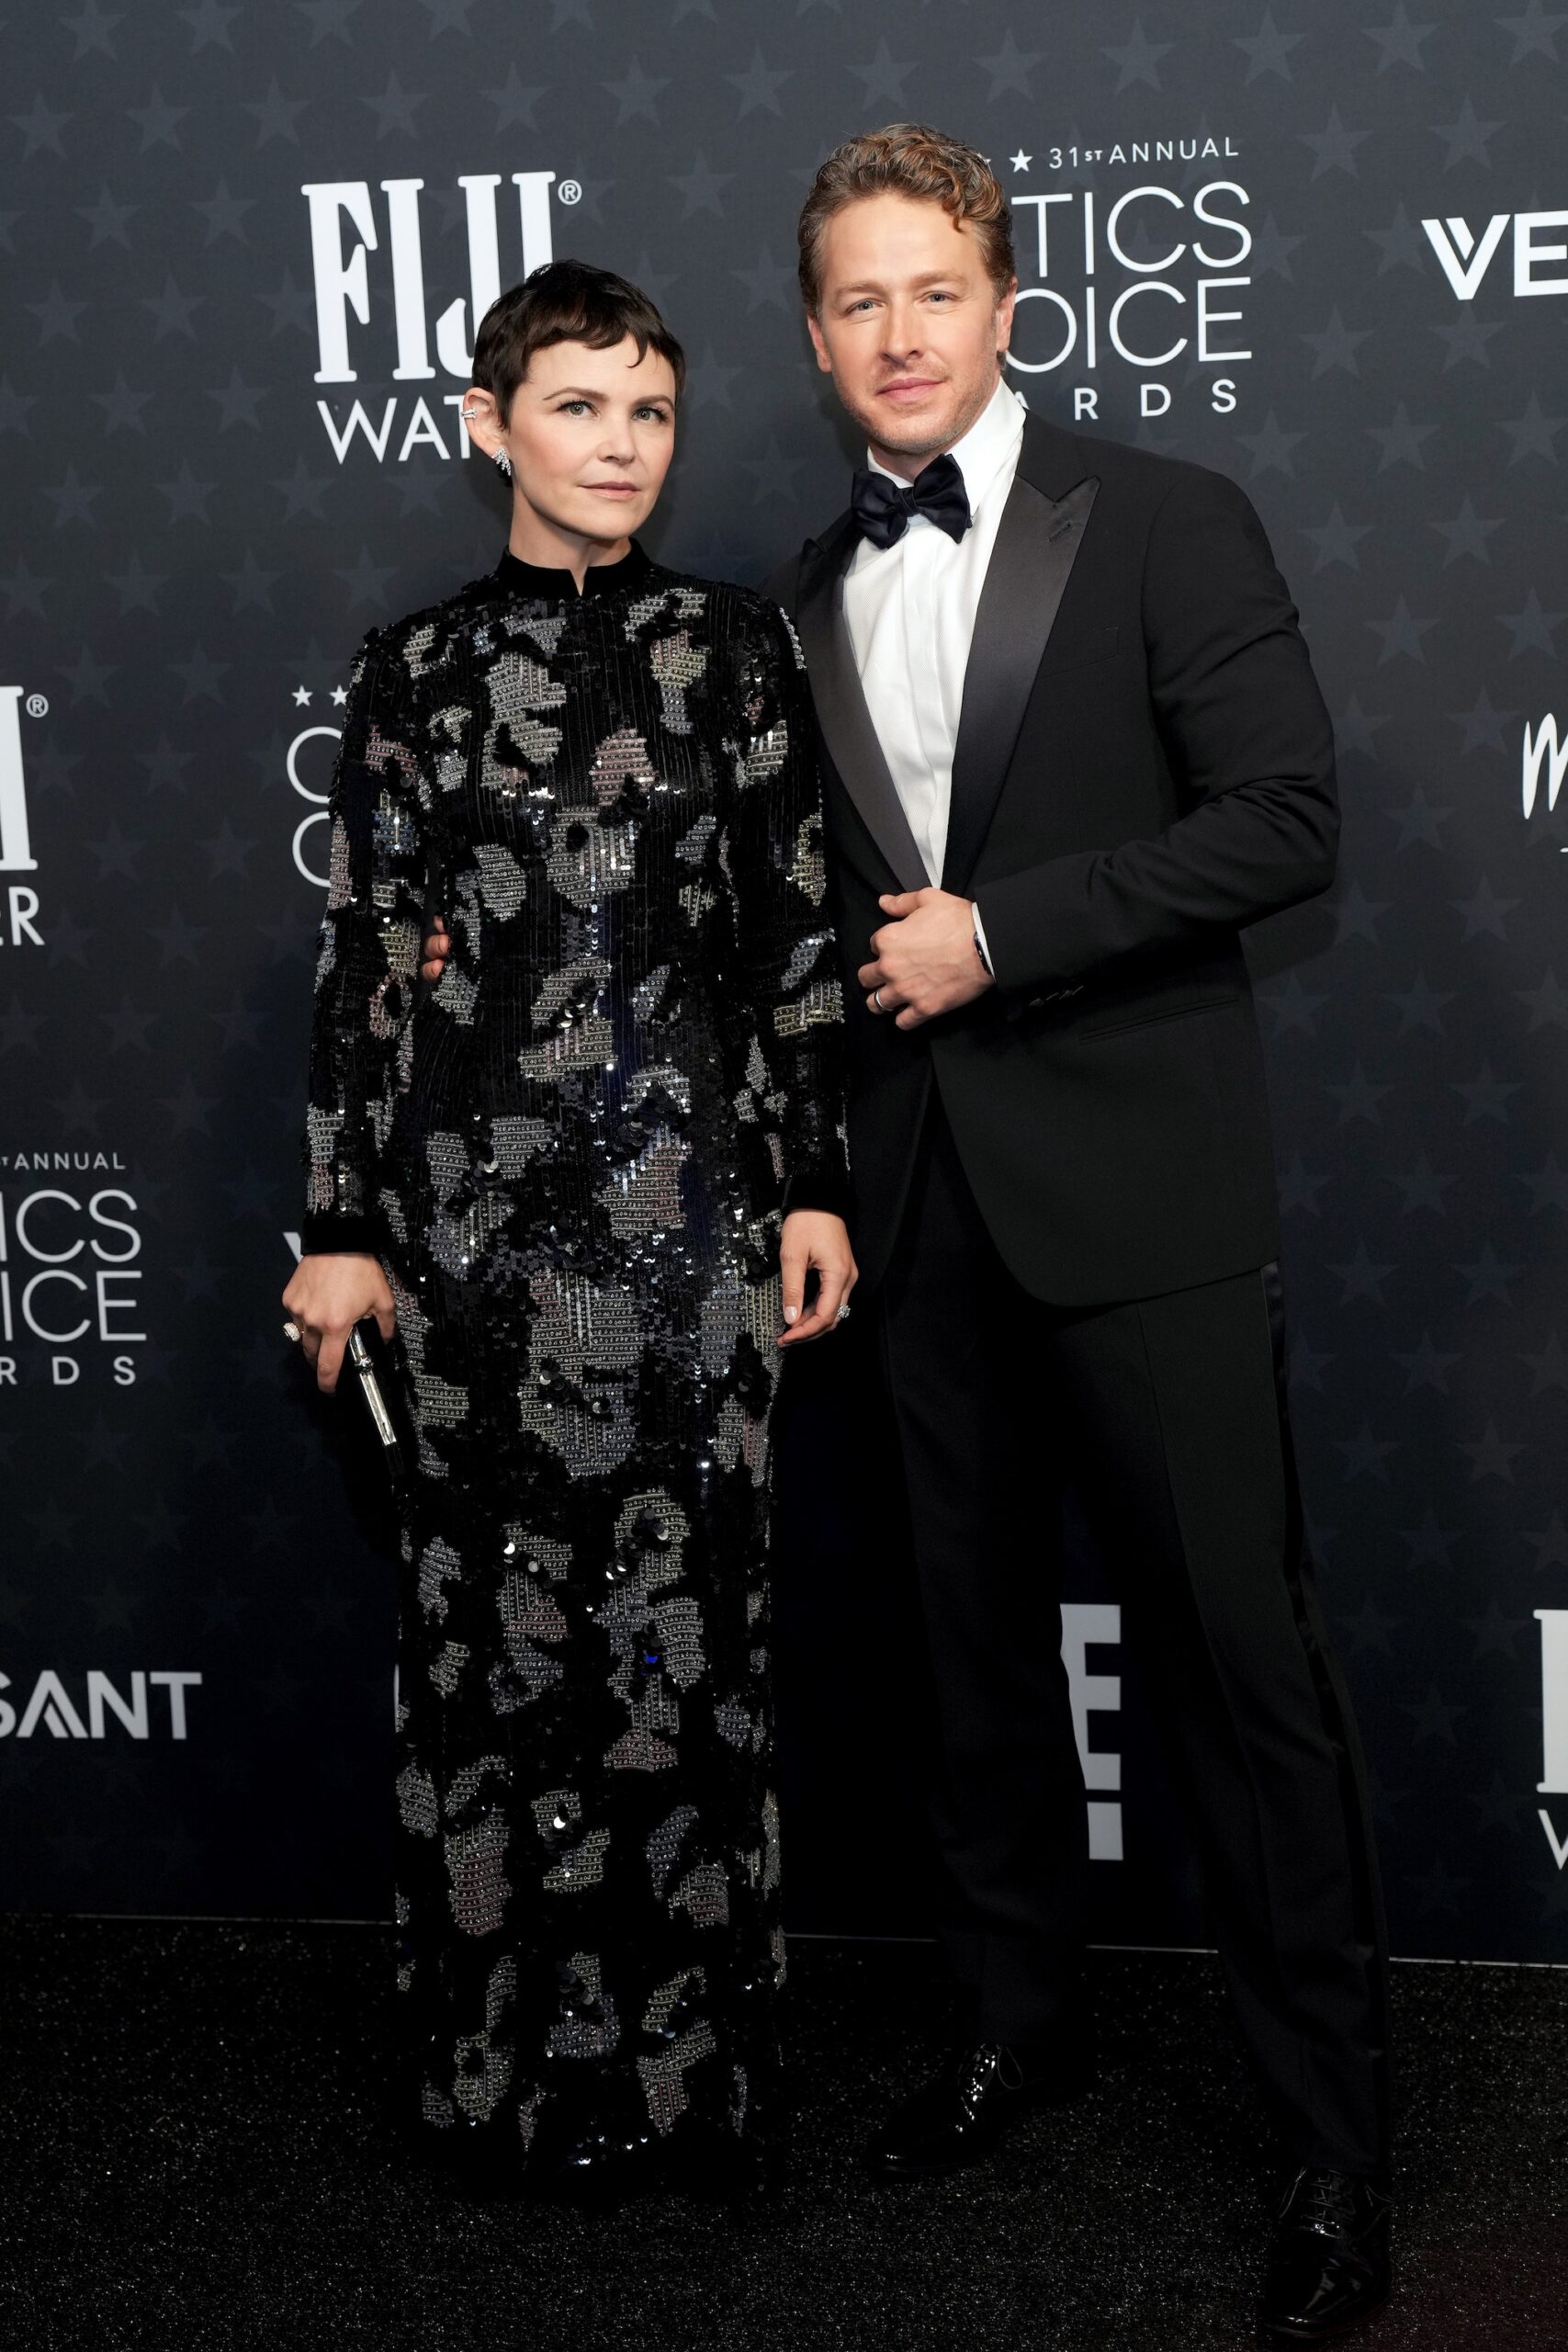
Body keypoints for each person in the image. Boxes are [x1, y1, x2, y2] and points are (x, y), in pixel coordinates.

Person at [765, 124, 1393, 2346]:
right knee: (967, 1672)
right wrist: (816, 1174)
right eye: (856, 298)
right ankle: (1012, 2025)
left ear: (1007, 301)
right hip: (917, 1214)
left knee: (1241, 1677)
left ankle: (1331, 2137)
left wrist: (999, 939)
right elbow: (799, 937)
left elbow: (1282, 817)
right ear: (817, 332)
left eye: (932, 288)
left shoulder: (1159, 520)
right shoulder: (801, 590)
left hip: (1138, 1196)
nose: (899, 333)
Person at [282, 259, 854, 2190]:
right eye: (581, 407)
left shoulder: (740, 649)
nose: (620, 446)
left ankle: (691, 2081)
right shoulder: (414, 671)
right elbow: (367, 963)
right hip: (477, 1238)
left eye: (650, 413)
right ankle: (496, 2072)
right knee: (492, 1657)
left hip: (693, 1235)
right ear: (488, 424)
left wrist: (814, 1180)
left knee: (689, 1661)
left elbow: (790, 935)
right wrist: (342, 1217)